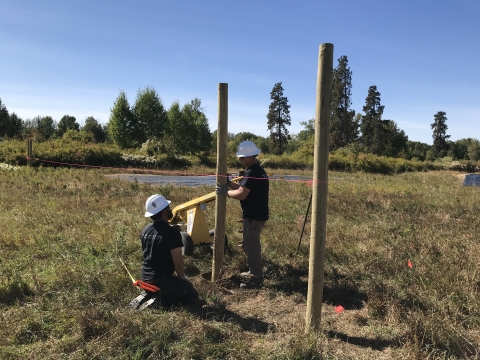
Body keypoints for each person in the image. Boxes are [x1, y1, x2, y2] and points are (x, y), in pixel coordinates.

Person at [216, 140, 269, 289]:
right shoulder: (258, 170)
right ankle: (254, 272)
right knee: (250, 244)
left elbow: (242, 194)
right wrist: (229, 183)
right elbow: (243, 188)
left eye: (241, 157)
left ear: (249, 156)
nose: (240, 160)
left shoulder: (252, 171)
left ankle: (256, 278)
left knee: (252, 247)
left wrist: (225, 191)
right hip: (257, 214)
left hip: (253, 215)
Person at [140, 194, 198, 307]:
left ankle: (152, 294)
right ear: (164, 213)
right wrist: (183, 279)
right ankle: (161, 301)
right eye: (168, 207)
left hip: (145, 279)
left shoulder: (145, 230)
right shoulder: (172, 233)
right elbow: (178, 264)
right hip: (162, 281)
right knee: (192, 295)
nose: (170, 209)